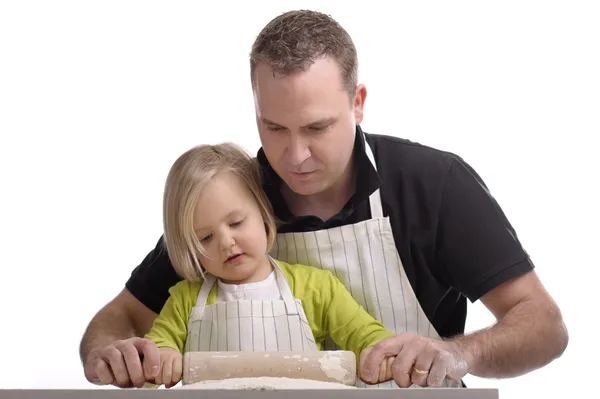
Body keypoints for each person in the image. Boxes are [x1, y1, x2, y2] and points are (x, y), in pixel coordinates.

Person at [79, 9, 568, 389]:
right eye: (274, 128)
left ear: (357, 103)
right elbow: (115, 320)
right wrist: (114, 352)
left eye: (317, 127)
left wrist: (459, 355)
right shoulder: (231, 200)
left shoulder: (434, 184)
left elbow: (543, 324)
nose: (295, 156)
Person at [141, 142, 397, 387]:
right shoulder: (185, 300)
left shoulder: (316, 287)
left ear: (263, 212)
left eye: (236, 222)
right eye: (205, 238)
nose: (226, 243)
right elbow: (154, 352)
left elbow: (365, 335)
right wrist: (161, 358)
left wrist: (378, 353)